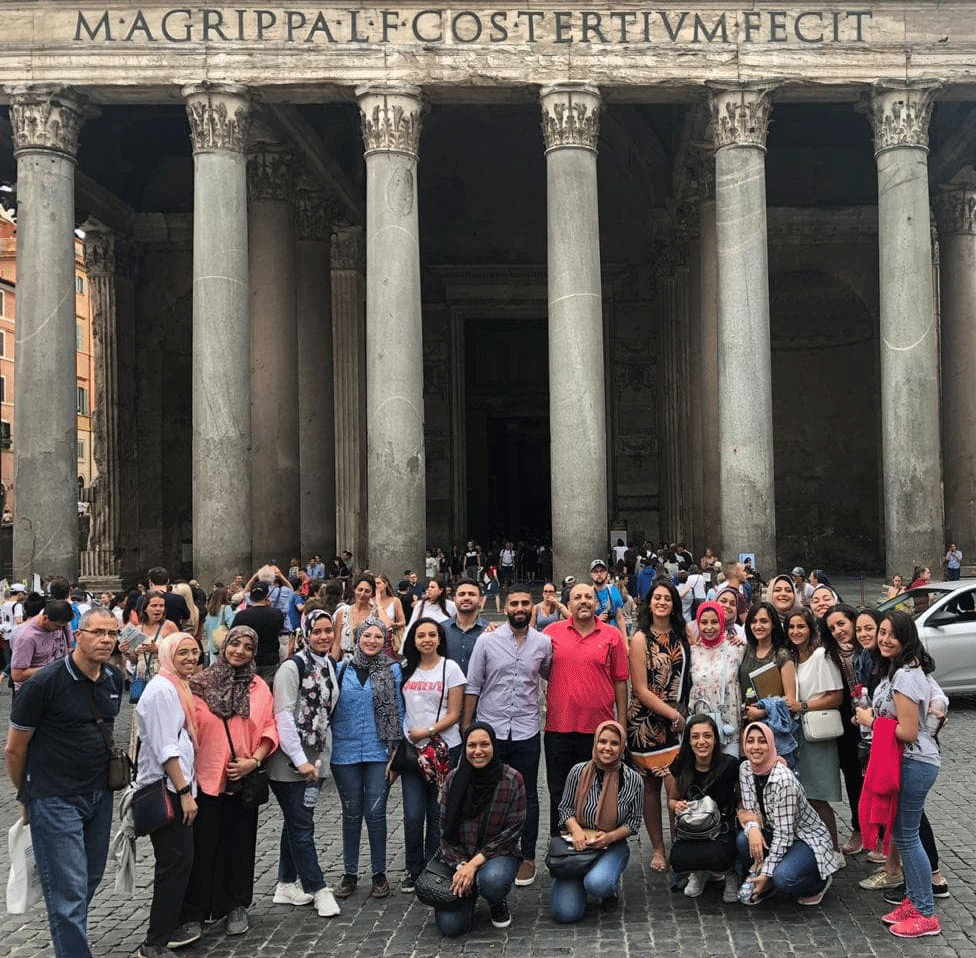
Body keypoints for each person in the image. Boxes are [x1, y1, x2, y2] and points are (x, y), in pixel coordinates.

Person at [5, 608, 124, 958]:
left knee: (90, 878)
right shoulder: (44, 683)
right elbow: (14, 749)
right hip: (55, 797)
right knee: (68, 890)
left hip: (100, 793)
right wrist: (26, 794)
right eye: (98, 632)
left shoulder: (113, 678)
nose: (106, 640)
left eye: (112, 633)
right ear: (77, 635)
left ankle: (70, 940)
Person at [173, 625, 278, 941]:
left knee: (240, 845)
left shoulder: (259, 687)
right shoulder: (198, 684)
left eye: (248, 647)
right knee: (202, 846)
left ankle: (235, 905)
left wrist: (253, 761)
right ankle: (195, 911)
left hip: (241, 778)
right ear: (224, 646)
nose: (240, 651)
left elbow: (269, 727)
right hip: (204, 777)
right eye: (235, 644)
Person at [854, 611, 946, 938]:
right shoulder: (898, 670)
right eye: (882, 632)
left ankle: (925, 913)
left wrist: (870, 721)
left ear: (907, 638)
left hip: (913, 762)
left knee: (907, 837)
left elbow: (907, 731)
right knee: (903, 835)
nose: (884, 639)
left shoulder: (906, 675)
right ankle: (915, 901)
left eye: (893, 634)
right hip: (909, 761)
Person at [464, 585, 552, 886]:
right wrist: (467, 727)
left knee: (528, 794)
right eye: (514, 603)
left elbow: (550, 674)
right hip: (492, 728)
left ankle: (527, 856)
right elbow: (473, 685)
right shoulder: (486, 641)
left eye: (525, 603)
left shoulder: (543, 643)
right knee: (488, 791)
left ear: (532, 607)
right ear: (505, 608)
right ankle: (490, 852)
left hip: (526, 728)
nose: (519, 608)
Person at [266, 610, 341, 917]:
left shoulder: (328, 663)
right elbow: (282, 715)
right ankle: (317, 888)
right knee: (302, 825)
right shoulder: (291, 667)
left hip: (316, 757)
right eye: (317, 631)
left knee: (296, 821)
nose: (323, 636)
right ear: (305, 634)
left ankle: (286, 883)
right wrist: (299, 761)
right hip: (290, 762)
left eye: (328, 630)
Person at [543, 583, 629, 840]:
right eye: (577, 597)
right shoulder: (550, 633)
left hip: (599, 730)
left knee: (598, 791)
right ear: (568, 604)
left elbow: (620, 681)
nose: (583, 601)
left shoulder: (612, 635)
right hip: (559, 727)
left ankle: (598, 843)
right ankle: (560, 846)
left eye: (588, 597)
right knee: (559, 791)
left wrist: (621, 723)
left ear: (596, 603)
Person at [134, 633, 200, 958]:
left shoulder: (176, 686)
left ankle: (169, 928)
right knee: (174, 862)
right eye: (182, 652)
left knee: (179, 860)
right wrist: (185, 792)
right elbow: (166, 748)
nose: (190, 658)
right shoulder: (162, 690)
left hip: (176, 786)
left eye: (194, 652)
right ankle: (154, 942)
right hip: (168, 788)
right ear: (167, 655)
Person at [329, 618, 403, 900]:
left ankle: (379, 873)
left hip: (379, 751)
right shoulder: (340, 669)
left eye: (378, 637)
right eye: (367, 636)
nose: (372, 641)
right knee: (351, 813)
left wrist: (396, 752)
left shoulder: (393, 669)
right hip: (344, 751)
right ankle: (349, 873)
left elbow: (399, 709)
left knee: (375, 813)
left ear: (385, 641)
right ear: (357, 638)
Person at [433, 723, 526, 935]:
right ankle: (469, 892)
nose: (478, 751)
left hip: (497, 856)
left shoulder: (512, 779)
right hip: (459, 858)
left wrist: (473, 865)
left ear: (494, 746)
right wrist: (461, 866)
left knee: (493, 881)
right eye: (471, 745)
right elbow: (444, 831)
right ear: (464, 748)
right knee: (450, 927)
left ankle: (495, 900)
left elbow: (511, 833)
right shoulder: (453, 779)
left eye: (484, 744)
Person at [626, 579, 691, 872]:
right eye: (657, 598)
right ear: (649, 603)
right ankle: (658, 849)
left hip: (678, 721)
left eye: (667, 598)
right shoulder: (640, 638)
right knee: (651, 786)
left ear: (674, 604)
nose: (662, 602)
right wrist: (672, 715)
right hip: (647, 721)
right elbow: (640, 689)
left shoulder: (683, 633)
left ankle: (681, 844)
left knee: (676, 786)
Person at [550, 720, 643, 922]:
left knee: (598, 884)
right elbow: (564, 808)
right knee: (565, 914)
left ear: (622, 747)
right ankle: (576, 879)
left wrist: (610, 837)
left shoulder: (633, 779)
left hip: (611, 845)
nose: (607, 748)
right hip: (577, 845)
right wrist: (576, 831)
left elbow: (634, 822)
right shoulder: (578, 771)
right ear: (595, 743)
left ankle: (607, 887)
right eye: (602, 742)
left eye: (614, 743)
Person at [736, 722, 838, 906]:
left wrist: (767, 873)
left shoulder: (784, 780)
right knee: (744, 840)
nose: (755, 747)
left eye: (762, 741)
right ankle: (766, 880)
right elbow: (750, 809)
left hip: (804, 838)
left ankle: (817, 883)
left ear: (771, 744)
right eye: (750, 741)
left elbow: (784, 834)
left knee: (784, 877)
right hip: (772, 829)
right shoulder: (745, 768)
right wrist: (753, 829)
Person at [397, 618, 465, 891]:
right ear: (413, 640)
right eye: (421, 635)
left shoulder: (451, 669)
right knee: (413, 815)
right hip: (412, 752)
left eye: (432, 635)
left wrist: (427, 730)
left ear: (439, 639)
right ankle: (413, 868)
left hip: (443, 749)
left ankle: (434, 866)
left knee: (438, 813)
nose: (426, 640)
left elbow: (455, 713)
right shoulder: (405, 670)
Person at [782, 607, 843, 854]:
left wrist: (803, 705)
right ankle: (817, 848)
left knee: (818, 796)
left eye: (801, 626)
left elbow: (836, 696)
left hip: (817, 732)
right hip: (799, 732)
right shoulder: (793, 658)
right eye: (791, 627)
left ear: (811, 629)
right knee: (805, 794)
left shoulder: (821, 656)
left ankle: (834, 850)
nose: (796, 631)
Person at [666, 714, 740, 901]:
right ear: (688, 741)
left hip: (722, 829)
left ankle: (730, 873)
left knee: (718, 855)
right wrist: (677, 805)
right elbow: (671, 800)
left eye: (707, 736)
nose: (701, 742)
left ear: (715, 739)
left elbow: (741, 800)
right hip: (694, 829)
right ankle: (700, 872)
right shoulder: (681, 764)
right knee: (678, 858)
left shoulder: (730, 765)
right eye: (695, 736)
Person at [822, 603, 866, 856]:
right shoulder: (829, 652)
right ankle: (859, 828)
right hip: (845, 721)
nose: (838, 631)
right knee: (852, 777)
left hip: (871, 718)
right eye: (832, 628)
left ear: (853, 621)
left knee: (875, 779)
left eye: (841, 624)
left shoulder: (869, 645)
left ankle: (882, 834)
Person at [688, 602, 745, 757]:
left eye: (714, 622)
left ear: (722, 622)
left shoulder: (737, 649)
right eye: (704, 622)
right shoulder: (692, 652)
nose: (709, 627)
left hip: (729, 726)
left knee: (728, 768)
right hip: (701, 728)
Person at [9, 599, 75, 690]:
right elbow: (17, 675)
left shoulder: (60, 624)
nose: (60, 629)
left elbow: (66, 647)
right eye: (58, 626)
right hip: (34, 690)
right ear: (45, 619)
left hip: (55, 686)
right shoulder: (26, 637)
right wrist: (52, 669)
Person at [230, 583, 284, 684]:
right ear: (267, 596)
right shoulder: (277, 613)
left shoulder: (241, 616)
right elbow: (280, 629)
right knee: (267, 689)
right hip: (270, 659)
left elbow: (232, 635)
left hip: (248, 659)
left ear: (250, 596)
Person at [737, 602, 789, 703]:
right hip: (744, 711)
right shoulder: (746, 650)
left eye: (764, 621)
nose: (758, 626)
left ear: (773, 624)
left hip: (770, 712)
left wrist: (763, 710)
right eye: (753, 621)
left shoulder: (782, 655)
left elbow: (789, 700)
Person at [443, 578, 488, 675]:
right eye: (461, 594)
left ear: (481, 600)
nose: (466, 598)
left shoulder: (489, 632)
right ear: (454, 599)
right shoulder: (441, 630)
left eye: (472, 594)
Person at [333, 574, 380, 661]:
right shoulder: (343, 612)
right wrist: (332, 665)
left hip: (367, 662)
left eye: (367, 591)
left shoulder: (376, 614)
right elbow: (336, 644)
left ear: (372, 593)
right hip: (345, 663)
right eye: (360, 590)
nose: (362, 594)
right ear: (354, 589)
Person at [373, 573, 406, 657]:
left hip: (391, 641)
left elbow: (402, 622)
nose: (376, 586)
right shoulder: (371, 601)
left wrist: (393, 624)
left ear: (386, 584)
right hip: (374, 640)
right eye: (374, 584)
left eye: (378, 583)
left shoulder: (395, 601)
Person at [202, 586, 235, 665]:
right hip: (223, 642)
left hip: (212, 643)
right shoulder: (227, 608)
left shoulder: (209, 610)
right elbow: (232, 624)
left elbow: (205, 628)